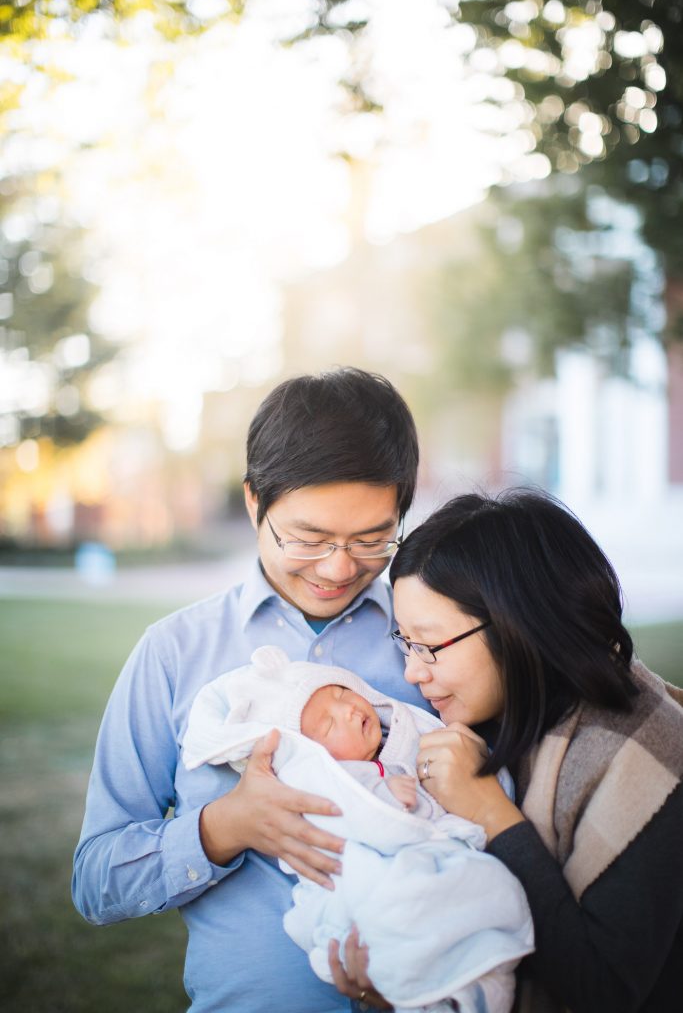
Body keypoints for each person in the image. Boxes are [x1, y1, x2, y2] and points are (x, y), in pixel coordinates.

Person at [72, 367, 428, 1013]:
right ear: (252, 502)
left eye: (373, 539)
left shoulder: (432, 646)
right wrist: (220, 828)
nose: (339, 566)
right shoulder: (174, 655)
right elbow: (96, 878)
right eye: (308, 539)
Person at [371, 489, 683, 1013]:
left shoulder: (653, 759)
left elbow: (603, 990)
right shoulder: (495, 719)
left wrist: (494, 815)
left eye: (429, 644)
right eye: (404, 641)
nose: (412, 671)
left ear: (521, 623)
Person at [180, 644, 534, 1013]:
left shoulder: (397, 752)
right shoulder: (330, 785)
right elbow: (360, 818)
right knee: (415, 913)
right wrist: (388, 796)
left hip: (432, 863)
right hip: (379, 882)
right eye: (329, 724)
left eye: (342, 693)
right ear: (315, 759)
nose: (348, 710)